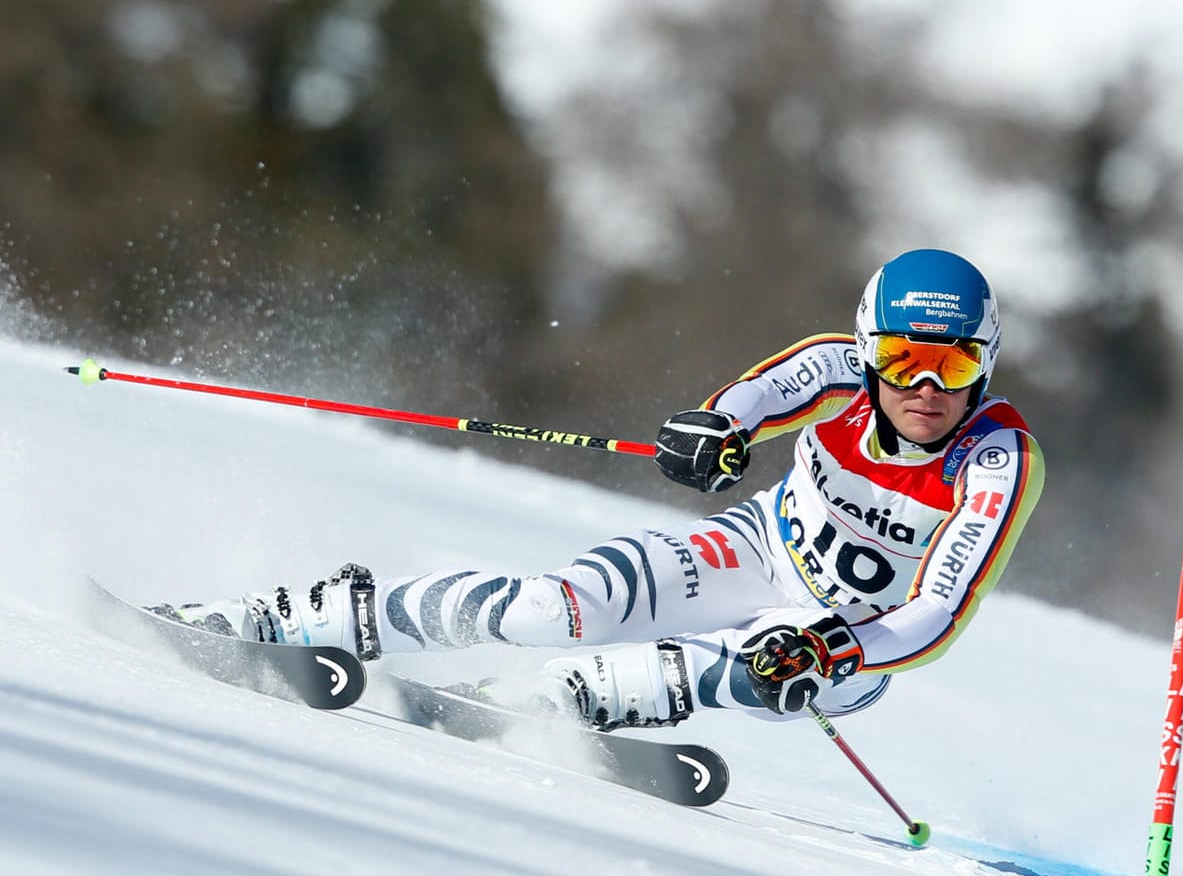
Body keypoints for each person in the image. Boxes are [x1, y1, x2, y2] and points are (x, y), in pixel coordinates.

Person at [163, 248, 1044, 730]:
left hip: (852, 644)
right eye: (903, 359)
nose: (926, 387)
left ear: (986, 361)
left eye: (954, 362)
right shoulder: (835, 369)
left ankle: (547, 706)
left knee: (769, 652)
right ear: (869, 350)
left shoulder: (996, 460)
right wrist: (716, 431)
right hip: (757, 548)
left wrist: (837, 654)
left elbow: (937, 613)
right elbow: (754, 401)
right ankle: (289, 619)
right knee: (558, 608)